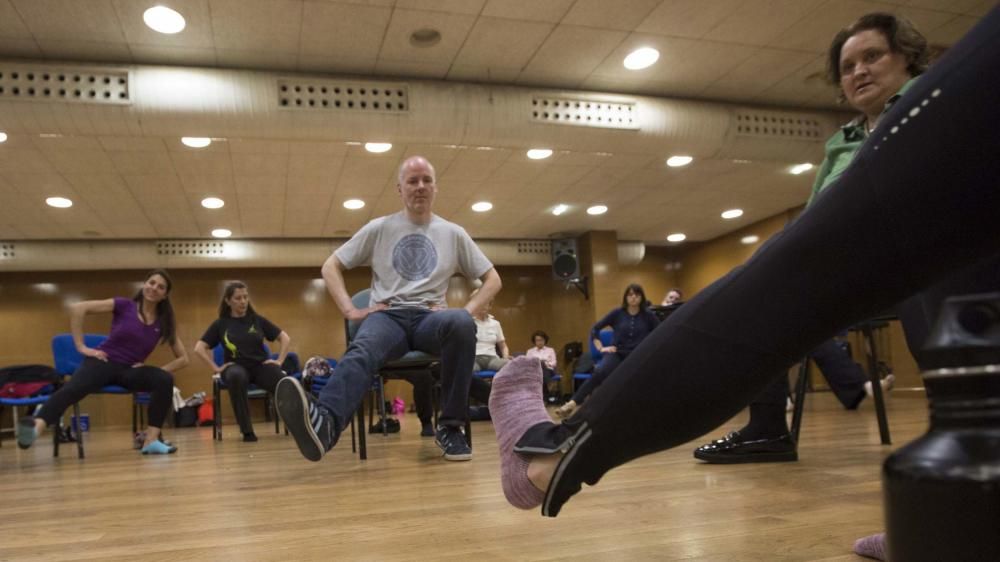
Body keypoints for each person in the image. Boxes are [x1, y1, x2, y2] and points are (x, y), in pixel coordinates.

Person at [484, 5, 1000, 533]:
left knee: (800, 280)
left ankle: (549, 460)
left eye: (873, 56)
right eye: (848, 65)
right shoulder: (842, 143)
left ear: (907, 57)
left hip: (907, 253)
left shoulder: (927, 114)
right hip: (900, 254)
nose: (859, 71)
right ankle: (964, 517)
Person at [276, 155, 502, 462]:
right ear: (400, 189)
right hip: (388, 317)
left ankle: (450, 428)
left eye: (426, 180)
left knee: (461, 324)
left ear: (436, 187)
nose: (420, 186)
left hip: (428, 319)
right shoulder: (379, 228)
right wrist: (349, 311)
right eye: (412, 181)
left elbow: (492, 279)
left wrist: (467, 310)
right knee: (363, 348)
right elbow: (331, 266)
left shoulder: (453, 232)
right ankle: (326, 424)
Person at [17, 269, 189, 455]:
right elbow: (78, 309)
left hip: (129, 371)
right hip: (103, 361)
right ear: (144, 284)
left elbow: (184, 359)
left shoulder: (163, 323)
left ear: (165, 295)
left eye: (160, 287)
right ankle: (36, 426)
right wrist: (81, 347)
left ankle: (151, 440)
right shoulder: (124, 305)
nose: (154, 288)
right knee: (73, 389)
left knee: (164, 380)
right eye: (151, 282)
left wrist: (161, 370)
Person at [194, 281, 292, 442]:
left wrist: (279, 361)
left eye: (245, 297)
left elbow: (284, 338)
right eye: (238, 298)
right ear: (228, 301)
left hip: (259, 366)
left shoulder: (257, 320)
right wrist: (216, 368)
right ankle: (247, 431)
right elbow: (199, 348)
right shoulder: (221, 324)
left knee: (281, 380)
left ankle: (308, 418)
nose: (243, 301)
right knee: (236, 376)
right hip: (235, 367)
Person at [556, 284, 659, 418]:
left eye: (637, 295)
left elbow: (660, 332)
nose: (633, 298)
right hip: (617, 353)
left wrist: (649, 347)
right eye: (630, 295)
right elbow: (595, 329)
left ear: (642, 297)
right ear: (626, 297)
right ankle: (572, 404)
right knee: (600, 371)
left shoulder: (648, 315)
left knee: (647, 375)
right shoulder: (617, 313)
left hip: (638, 354)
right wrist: (601, 347)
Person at [472, 291, 510, 373]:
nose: (483, 306)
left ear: (490, 306)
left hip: (492, 359)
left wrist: (505, 358)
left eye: (486, 303)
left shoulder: (495, 323)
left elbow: (503, 346)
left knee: (511, 365)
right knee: (463, 369)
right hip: (473, 358)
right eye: (480, 303)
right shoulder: (468, 322)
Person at [525, 330, 558, 402]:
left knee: (542, 364)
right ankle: (549, 386)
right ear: (534, 341)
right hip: (535, 371)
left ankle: (542, 398)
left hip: (549, 370)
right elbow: (527, 363)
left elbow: (554, 362)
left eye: (541, 340)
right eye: (537, 340)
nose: (539, 342)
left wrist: (546, 364)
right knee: (539, 364)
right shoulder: (530, 351)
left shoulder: (550, 350)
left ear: (545, 340)